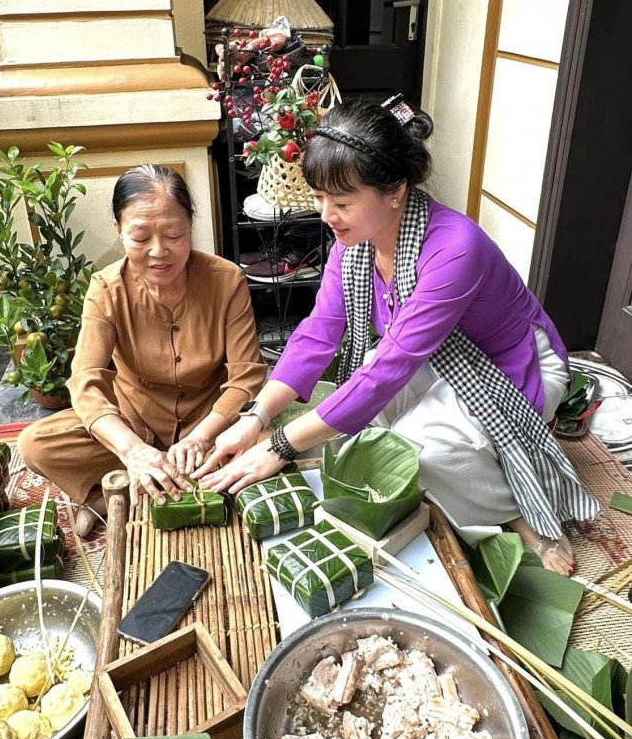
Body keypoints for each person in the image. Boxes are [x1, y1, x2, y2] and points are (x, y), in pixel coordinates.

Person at [196, 100, 599, 575]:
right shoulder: (353, 246)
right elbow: (317, 335)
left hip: (512, 364)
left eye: (342, 202)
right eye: (321, 198)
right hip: (434, 360)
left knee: (411, 451)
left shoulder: (455, 248)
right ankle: (475, 477)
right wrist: (256, 416)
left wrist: (278, 445)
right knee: (370, 434)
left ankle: (518, 512)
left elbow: (386, 371)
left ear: (395, 191)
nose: (327, 215)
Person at [18, 164, 267, 534]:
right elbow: (85, 383)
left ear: (191, 225)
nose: (159, 252)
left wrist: (202, 435)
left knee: (270, 446)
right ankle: (109, 493)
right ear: (119, 231)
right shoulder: (106, 289)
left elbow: (247, 377)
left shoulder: (226, 280)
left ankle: (132, 488)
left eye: (174, 234)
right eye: (139, 237)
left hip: (210, 423)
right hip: (135, 421)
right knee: (35, 444)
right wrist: (133, 449)